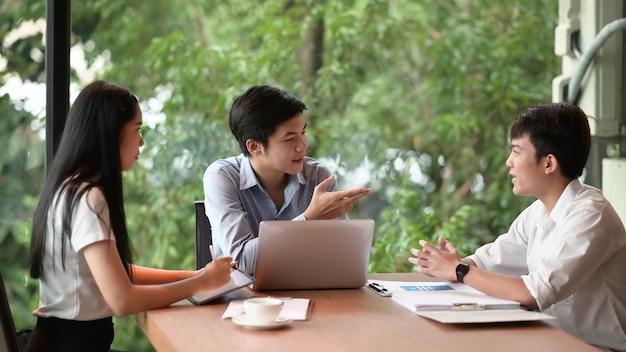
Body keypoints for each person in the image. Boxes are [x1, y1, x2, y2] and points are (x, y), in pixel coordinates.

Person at [26, 81, 233, 351]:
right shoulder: (88, 198)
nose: (142, 141)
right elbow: (122, 301)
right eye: (137, 129)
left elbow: (118, 273)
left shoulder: (70, 188)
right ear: (110, 134)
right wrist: (201, 283)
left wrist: (194, 275)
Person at [409, 102, 626, 351]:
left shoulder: (590, 216)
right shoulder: (538, 212)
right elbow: (491, 260)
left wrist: (458, 270)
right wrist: (454, 264)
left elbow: (533, 294)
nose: (508, 162)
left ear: (548, 163)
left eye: (517, 152)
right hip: (551, 341)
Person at [203, 85, 373, 275]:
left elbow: (344, 259)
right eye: (290, 139)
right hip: (243, 299)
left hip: (311, 291)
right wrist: (308, 219)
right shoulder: (222, 177)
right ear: (254, 147)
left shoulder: (318, 177)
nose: (303, 146)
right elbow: (242, 261)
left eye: (303, 133)